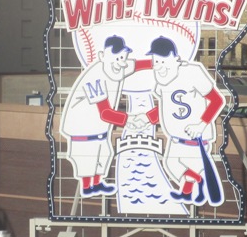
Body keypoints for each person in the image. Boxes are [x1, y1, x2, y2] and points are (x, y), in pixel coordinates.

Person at [146, 36, 227, 205]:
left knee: (184, 165)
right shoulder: (161, 79)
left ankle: (195, 185)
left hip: (195, 138)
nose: (158, 66)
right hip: (176, 138)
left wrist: (201, 124)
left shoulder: (192, 71)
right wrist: (146, 119)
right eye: (156, 61)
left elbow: (217, 100)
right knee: (171, 164)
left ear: (174, 57)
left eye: (162, 61)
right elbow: (166, 108)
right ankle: (194, 185)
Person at [59, 35, 135, 196]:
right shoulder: (94, 76)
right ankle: (88, 187)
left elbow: (136, 65)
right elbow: (105, 113)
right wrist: (129, 120)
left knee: (104, 155)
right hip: (83, 131)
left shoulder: (115, 66)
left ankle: (97, 183)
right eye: (118, 57)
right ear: (102, 56)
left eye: (123, 57)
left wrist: (155, 64)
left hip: (99, 131)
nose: (122, 61)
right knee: (87, 160)